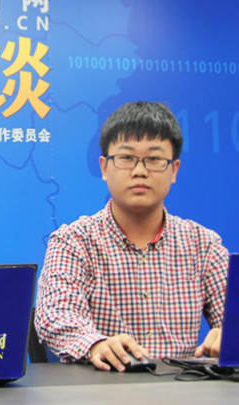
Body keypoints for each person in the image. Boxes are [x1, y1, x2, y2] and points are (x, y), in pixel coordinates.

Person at [35, 101, 229, 372]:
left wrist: (230, 336)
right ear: (104, 168)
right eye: (126, 158)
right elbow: (55, 315)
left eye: (154, 159)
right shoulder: (74, 241)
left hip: (183, 387)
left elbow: (233, 320)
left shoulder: (203, 245)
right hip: (101, 386)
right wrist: (95, 344)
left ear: (174, 170)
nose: (140, 171)